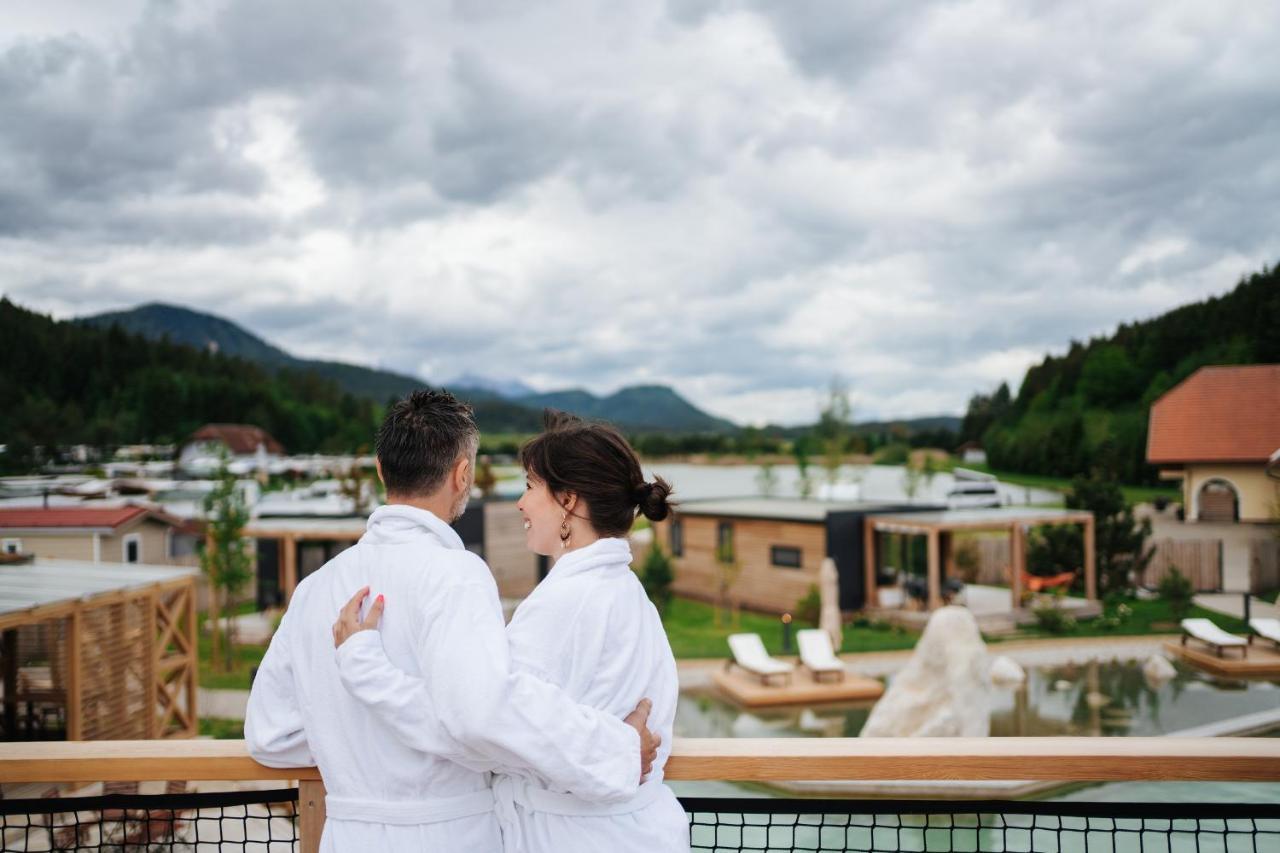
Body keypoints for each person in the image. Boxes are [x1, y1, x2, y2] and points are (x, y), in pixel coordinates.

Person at [245, 391, 659, 853]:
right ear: (463, 474)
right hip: (452, 834)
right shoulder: (457, 575)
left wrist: (356, 747)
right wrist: (614, 751)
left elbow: (269, 737)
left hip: (346, 834)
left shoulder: (315, 589)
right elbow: (478, 716)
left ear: (381, 469)